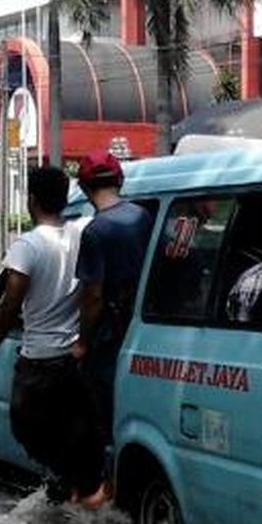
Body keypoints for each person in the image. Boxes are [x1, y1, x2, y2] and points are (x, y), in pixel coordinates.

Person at [0, 166, 109, 508]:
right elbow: (94, 290)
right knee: (71, 432)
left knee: (25, 428)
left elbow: (10, 302)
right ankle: (80, 488)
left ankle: (73, 485)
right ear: (64, 200)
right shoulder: (80, 233)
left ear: (31, 200)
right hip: (75, 359)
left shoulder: (27, 246)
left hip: (39, 362)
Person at [72, 149, 154, 440]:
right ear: (119, 180)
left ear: (82, 188)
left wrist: (82, 343)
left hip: (109, 337)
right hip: (143, 327)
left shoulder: (95, 231)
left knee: (102, 415)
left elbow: (93, 296)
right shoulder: (142, 216)